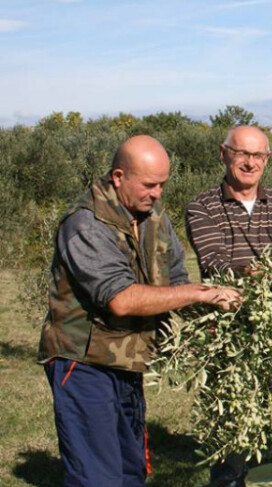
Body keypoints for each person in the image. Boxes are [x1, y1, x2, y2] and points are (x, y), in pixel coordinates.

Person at [38, 135, 242, 487]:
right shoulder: (86, 223)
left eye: (162, 184)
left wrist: (212, 317)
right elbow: (121, 299)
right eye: (149, 184)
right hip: (83, 362)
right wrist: (199, 293)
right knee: (97, 475)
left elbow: (174, 277)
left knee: (132, 470)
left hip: (129, 361)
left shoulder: (152, 215)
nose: (158, 193)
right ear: (119, 177)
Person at [186, 126, 272, 487]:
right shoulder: (202, 207)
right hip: (230, 336)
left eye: (258, 155)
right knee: (229, 436)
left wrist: (271, 271)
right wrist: (269, 273)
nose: (250, 162)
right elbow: (217, 264)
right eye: (241, 153)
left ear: (268, 160)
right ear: (223, 153)